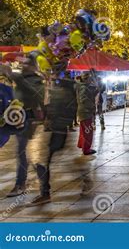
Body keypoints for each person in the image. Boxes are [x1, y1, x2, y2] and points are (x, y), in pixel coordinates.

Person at [0, 57, 45, 198]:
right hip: (14, 117)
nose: (23, 65)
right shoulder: (20, 79)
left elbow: (32, 92)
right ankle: (39, 174)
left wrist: (11, 74)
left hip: (27, 120)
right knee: (22, 153)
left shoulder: (36, 80)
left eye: (27, 63)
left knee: (21, 152)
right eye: (23, 63)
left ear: (33, 66)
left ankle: (21, 184)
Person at [32, 75, 77, 205]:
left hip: (55, 131)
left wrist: (48, 120)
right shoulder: (70, 95)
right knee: (50, 160)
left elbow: (50, 109)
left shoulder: (60, 94)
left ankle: (45, 193)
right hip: (59, 131)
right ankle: (83, 178)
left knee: (42, 161)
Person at [76, 72, 99, 155]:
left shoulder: (84, 86)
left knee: (84, 130)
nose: (91, 80)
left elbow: (95, 91)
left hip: (84, 111)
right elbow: (83, 100)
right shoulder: (83, 88)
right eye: (90, 78)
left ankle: (83, 146)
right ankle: (86, 149)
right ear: (87, 79)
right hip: (86, 112)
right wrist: (91, 105)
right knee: (88, 131)